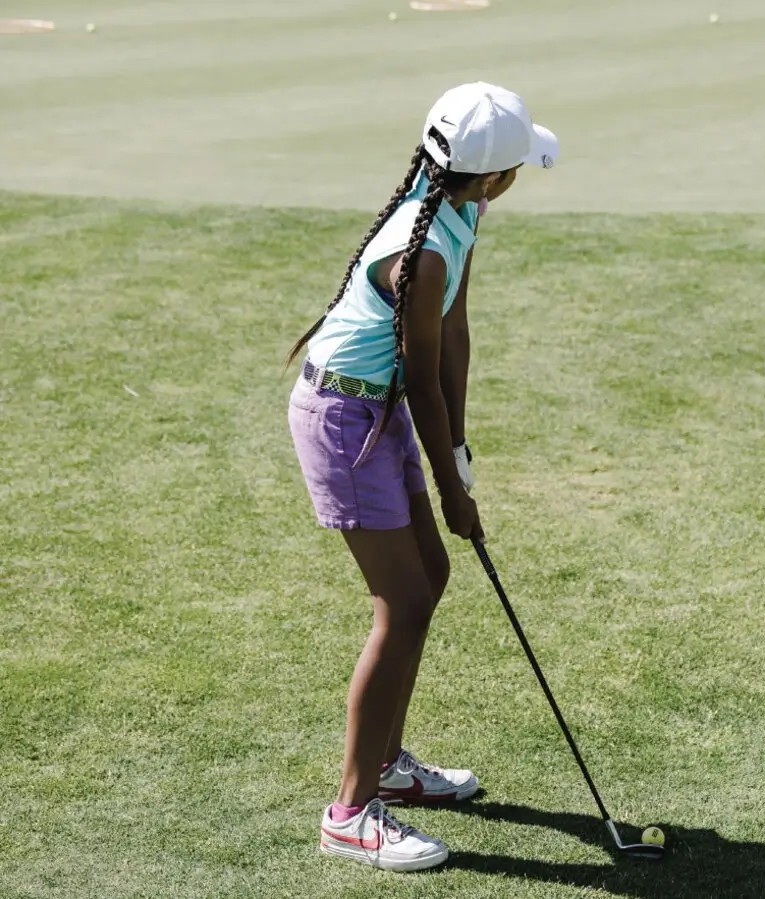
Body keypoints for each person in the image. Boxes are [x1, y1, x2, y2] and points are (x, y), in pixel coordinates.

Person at [284, 82, 558, 873]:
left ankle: (388, 766)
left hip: (380, 410)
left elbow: (453, 341)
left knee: (429, 576)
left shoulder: (461, 211)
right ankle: (349, 812)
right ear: (494, 175)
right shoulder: (423, 252)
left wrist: (461, 454)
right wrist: (452, 488)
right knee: (401, 603)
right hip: (344, 420)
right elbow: (425, 376)